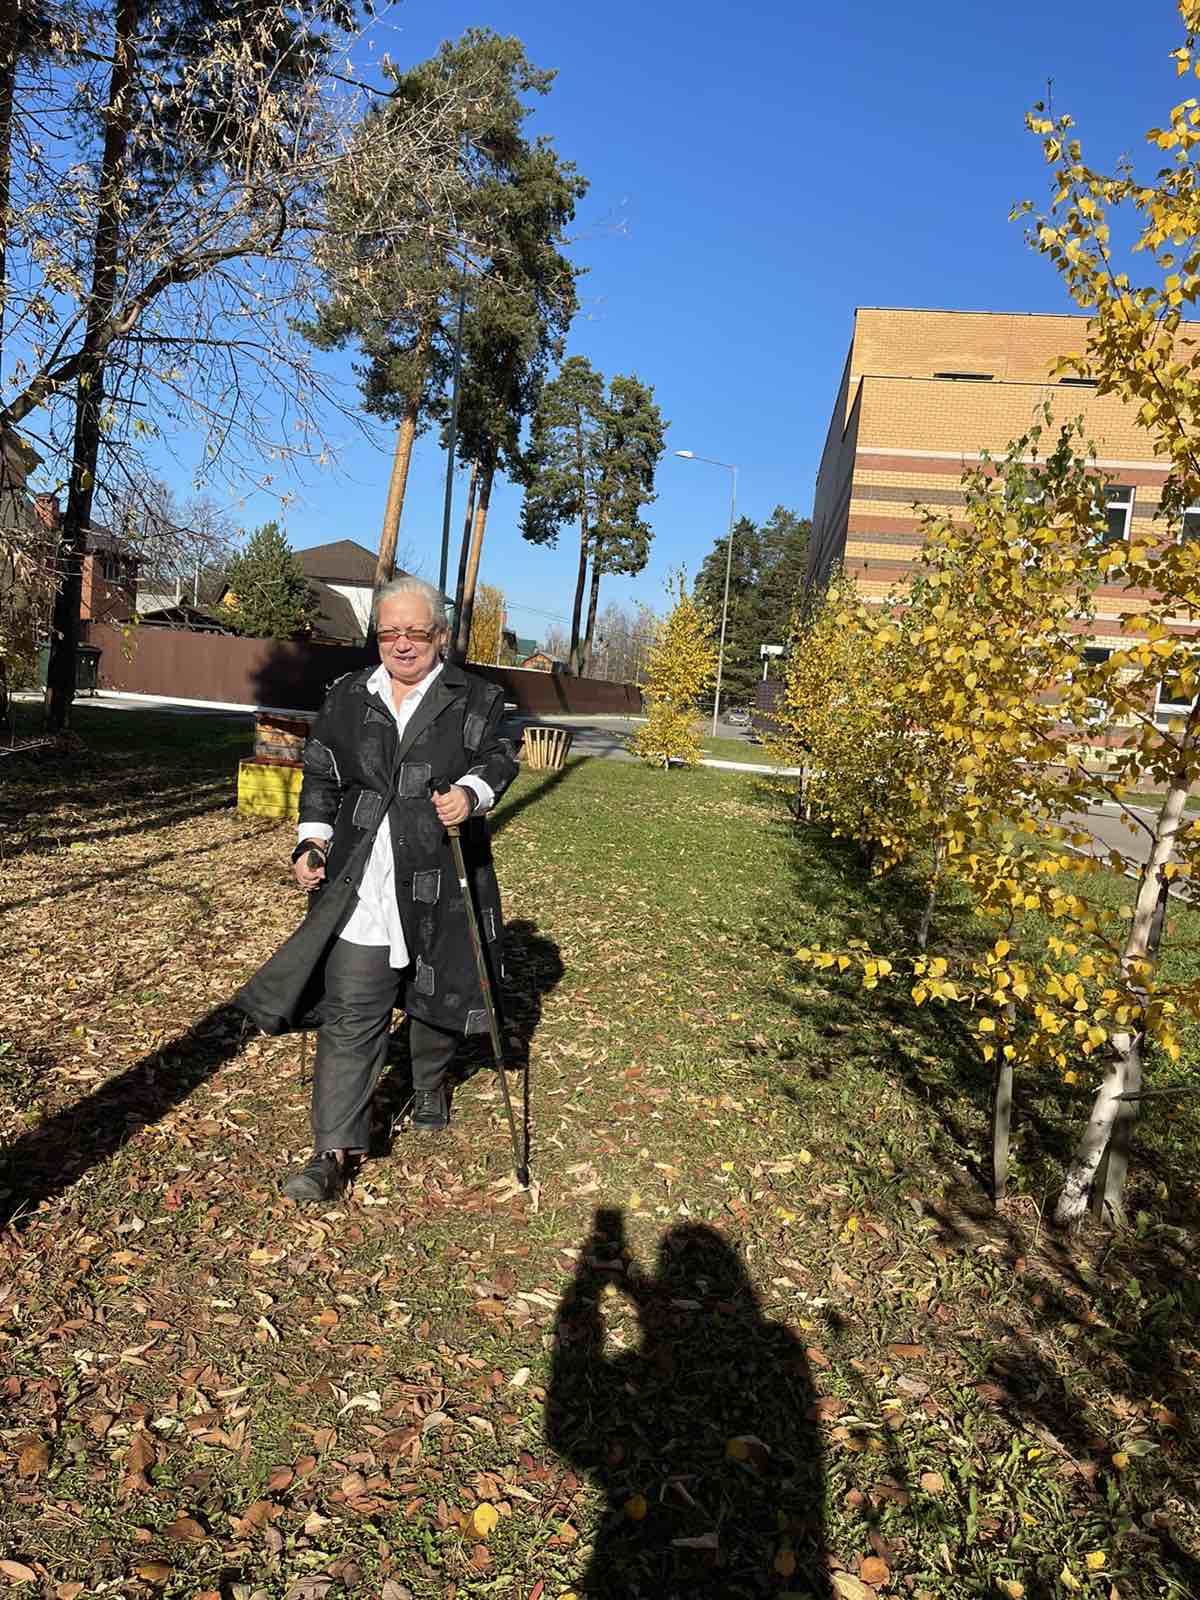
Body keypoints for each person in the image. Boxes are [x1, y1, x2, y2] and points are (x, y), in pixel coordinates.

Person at [235, 575, 519, 1202]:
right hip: (363, 877)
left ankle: (429, 1082)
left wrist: (470, 794)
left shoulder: (475, 697)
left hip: (438, 873)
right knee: (351, 1008)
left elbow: (501, 756)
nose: (402, 643)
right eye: (390, 633)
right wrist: (312, 840)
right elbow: (321, 774)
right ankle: (331, 1152)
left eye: (415, 631)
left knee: (435, 995)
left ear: (439, 635)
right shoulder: (348, 695)